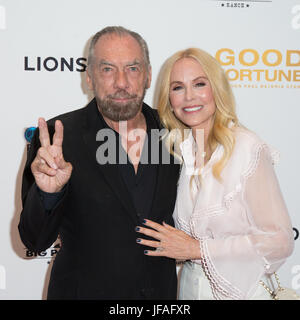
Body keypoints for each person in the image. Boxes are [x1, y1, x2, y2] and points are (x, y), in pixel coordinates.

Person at [18, 26, 180, 299]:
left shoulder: (176, 133)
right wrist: (48, 193)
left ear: (148, 76)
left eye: (132, 68)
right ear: (89, 77)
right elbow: (34, 239)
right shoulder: (60, 139)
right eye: (107, 69)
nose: (121, 82)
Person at [135, 48, 295, 300]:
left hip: (243, 290)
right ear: (169, 99)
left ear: (216, 89)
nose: (189, 97)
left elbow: (280, 240)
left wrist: (198, 249)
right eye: (177, 87)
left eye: (199, 84)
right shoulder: (177, 151)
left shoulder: (247, 148)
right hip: (189, 288)